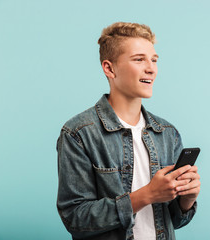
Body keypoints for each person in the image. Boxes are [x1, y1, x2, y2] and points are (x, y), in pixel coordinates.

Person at [56, 22, 201, 240]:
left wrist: (187, 199)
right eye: (139, 59)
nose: (151, 68)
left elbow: (175, 220)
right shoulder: (79, 133)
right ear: (109, 68)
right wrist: (147, 194)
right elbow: (75, 218)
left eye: (154, 60)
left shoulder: (167, 133)